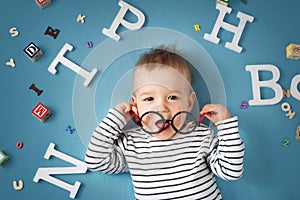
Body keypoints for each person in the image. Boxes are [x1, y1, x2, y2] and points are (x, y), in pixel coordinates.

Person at [85, 46, 244, 200]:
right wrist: (115, 119)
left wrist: (226, 126)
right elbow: (96, 161)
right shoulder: (131, 144)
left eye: (172, 98)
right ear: (136, 105)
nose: (161, 108)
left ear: (189, 103)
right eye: (149, 99)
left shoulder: (201, 136)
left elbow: (231, 172)